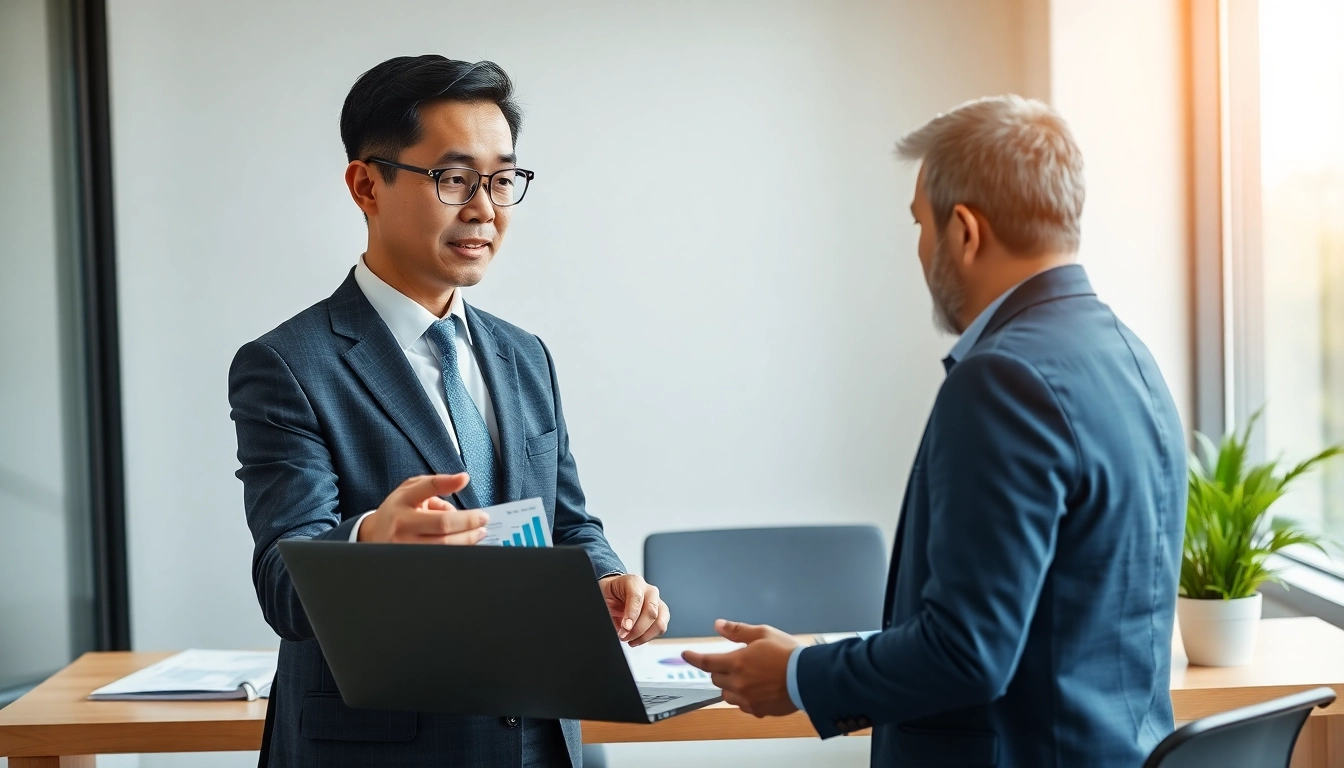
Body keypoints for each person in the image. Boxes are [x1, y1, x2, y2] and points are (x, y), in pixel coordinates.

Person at [684, 95, 1187, 767]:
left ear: (966, 231)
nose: (921, 249)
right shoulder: (1130, 358)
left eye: (921, 224)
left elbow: (967, 652)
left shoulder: (1002, 380)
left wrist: (800, 678)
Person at [229, 55, 668, 768]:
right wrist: (372, 540)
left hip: (537, 738)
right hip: (377, 749)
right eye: (454, 178)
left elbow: (566, 523)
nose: (484, 209)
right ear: (366, 185)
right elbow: (284, 582)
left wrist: (608, 580)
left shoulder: (525, 355)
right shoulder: (288, 364)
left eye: (501, 180)